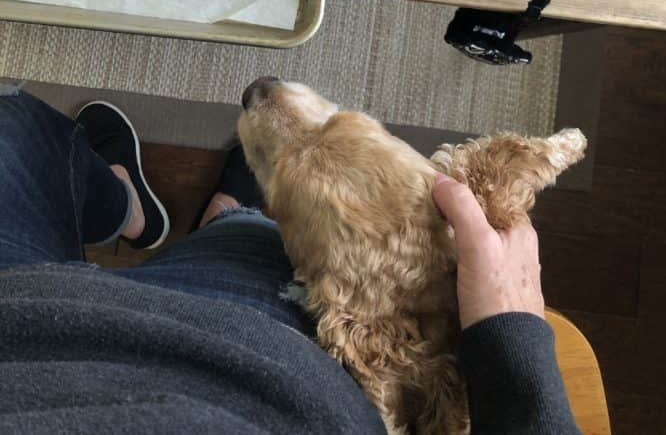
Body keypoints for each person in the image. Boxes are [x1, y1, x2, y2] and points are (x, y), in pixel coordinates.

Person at [0, 87, 580, 434]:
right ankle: (177, 214)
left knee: (15, 128)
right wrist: (510, 348)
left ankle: (144, 210)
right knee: (250, 238)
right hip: (256, 361)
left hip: (24, 313)